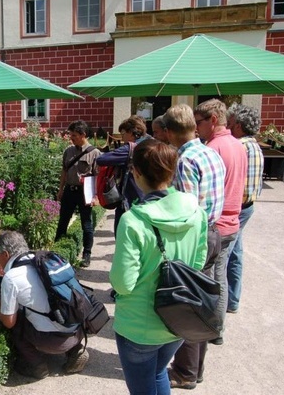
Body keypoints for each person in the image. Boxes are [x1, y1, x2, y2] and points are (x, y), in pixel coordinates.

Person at [110, 139, 208, 395]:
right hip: (178, 319)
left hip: (139, 326)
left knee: (143, 386)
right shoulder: (196, 212)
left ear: (137, 172)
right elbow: (197, 264)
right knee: (157, 373)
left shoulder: (133, 221)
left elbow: (123, 283)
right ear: (172, 172)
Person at [167, 100, 247, 389]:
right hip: (215, 230)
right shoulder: (208, 150)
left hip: (198, 235)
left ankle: (185, 372)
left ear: (171, 131)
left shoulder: (187, 158)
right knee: (202, 301)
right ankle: (193, 369)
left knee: (188, 305)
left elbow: (187, 209)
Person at [0, 231, 90, 379]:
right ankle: (75, 351)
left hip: (53, 342)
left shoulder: (11, 277)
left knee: (16, 321)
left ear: (6, 254)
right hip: (79, 328)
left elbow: (8, 322)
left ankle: (36, 365)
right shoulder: (45, 260)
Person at [225, 103, 264, 313]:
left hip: (236, 207)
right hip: (248, 206)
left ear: (238, 126)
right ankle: (233, 300)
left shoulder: (239, 146)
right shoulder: (255, 145)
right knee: (236, 253)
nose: (228, 128)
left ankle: (222, 303)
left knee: (223, 255)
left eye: (230, 124)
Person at [55, 120, 101, 267]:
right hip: (70, 190)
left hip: (84, 192)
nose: (71, 138)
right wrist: (61, 189)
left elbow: (98, 176)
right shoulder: (68, 151)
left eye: (74, 135)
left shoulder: (94, 153)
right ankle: (57, 251)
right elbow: (64, 171)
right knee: (63, 220)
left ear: (83, 135)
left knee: (86, 224)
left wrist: (95, 196)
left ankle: (86, 254)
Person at [96, 115, 152, 235]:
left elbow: (102, 159)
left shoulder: (130, 148)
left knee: (124, 236)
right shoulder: (152, 144)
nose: (122, 137)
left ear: (132, 132)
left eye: (123, 133)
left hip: (130, 200)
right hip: (150, 199)